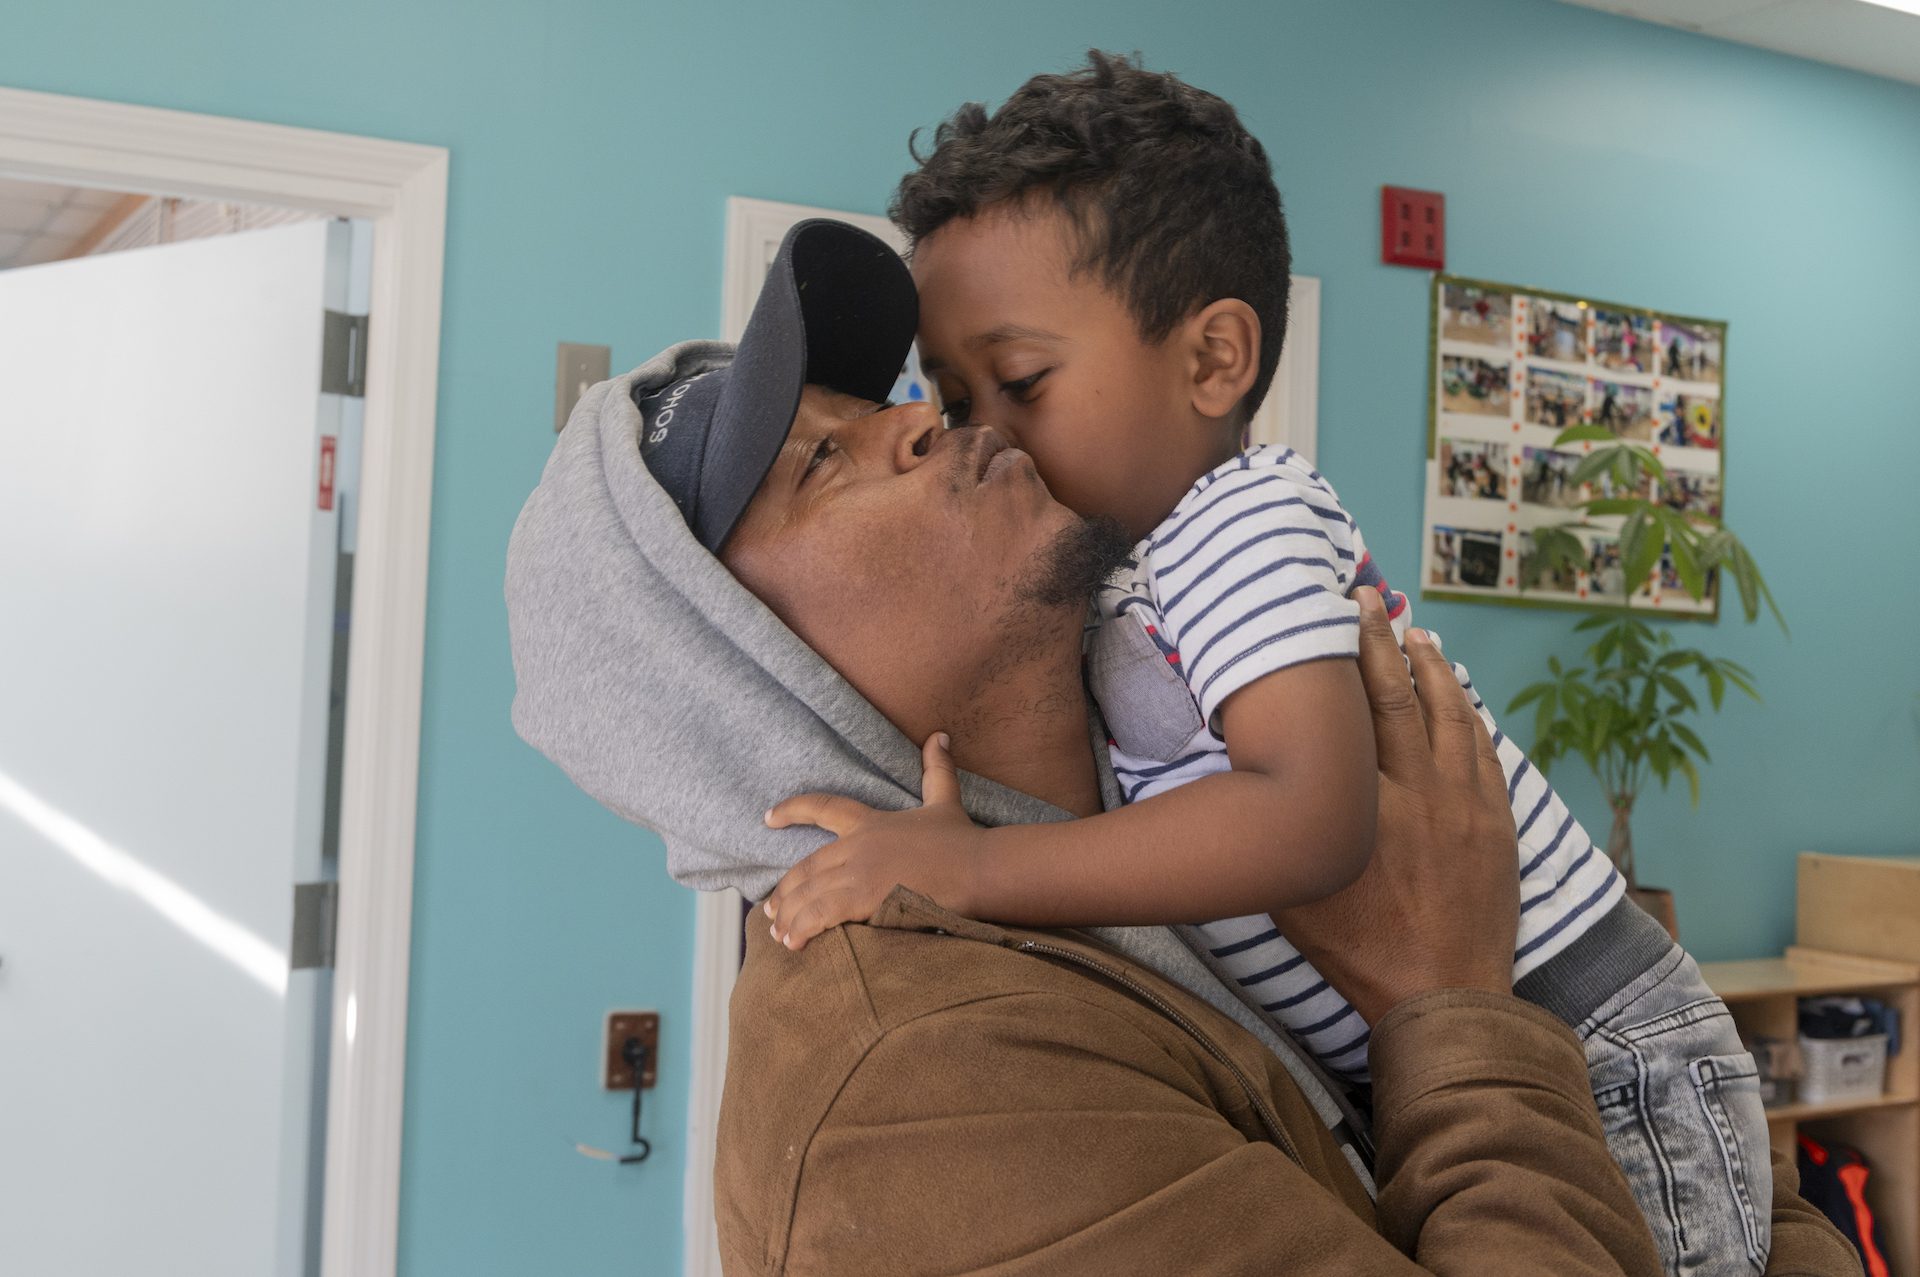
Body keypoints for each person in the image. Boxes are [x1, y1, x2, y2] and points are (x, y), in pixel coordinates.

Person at [503, 218, 1856, 1275]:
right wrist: (1452, 1001)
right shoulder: (915, 1082)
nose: (923, 419)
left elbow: (1711, 1170)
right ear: (740, 673)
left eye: (884, 404)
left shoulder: (1173, 792)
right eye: (821, 463)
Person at [759, 54, 1776, 1277]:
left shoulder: (1240, 522)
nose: (980, 433)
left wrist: (975, 866)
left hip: (1601, 1045)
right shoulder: (1121, 583)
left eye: (1021, 381)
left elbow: (1309, 816)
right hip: (1466, 1056)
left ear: (1213, 360)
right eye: (957, 393)